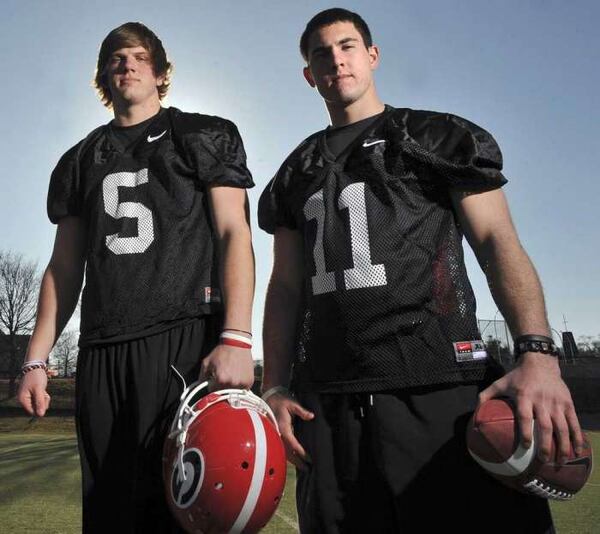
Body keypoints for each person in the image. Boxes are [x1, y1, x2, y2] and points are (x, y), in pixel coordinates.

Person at [258, 8, 583, 533]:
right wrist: (274, 386)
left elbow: (497, 243)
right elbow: (286, 287)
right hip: (332, 402)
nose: (336, 60)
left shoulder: (431, 136)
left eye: (346, 46)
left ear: (372, 56)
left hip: (437, 384)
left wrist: (538, 352)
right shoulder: (296, 171)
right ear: (308, 74)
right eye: (321, 53)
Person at [17, 22, 255, 533]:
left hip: (184, 333)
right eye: (116, 59)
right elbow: (64, 268)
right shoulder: (81, 160)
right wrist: (36, 358)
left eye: (139, 57)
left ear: (161, 71)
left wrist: (237, 334)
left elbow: (235, 232)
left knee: (184, 506)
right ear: (104, 74)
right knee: (108, 509)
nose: (127, 65)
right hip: (103, 345)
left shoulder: (200, 136)